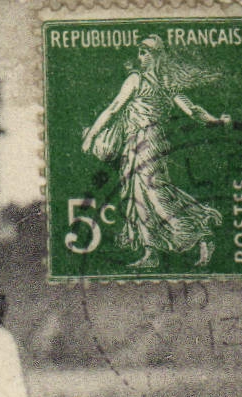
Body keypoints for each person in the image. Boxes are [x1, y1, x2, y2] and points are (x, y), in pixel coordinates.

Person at [81, 35, 229, 269]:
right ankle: (151, 252)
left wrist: (216, 122)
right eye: (140, 52)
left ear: (158, 55)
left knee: (154, 193)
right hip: (137, 143)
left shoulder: (150, 81)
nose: (142, 57)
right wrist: (215, 121)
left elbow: (191, 110)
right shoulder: (146, 80)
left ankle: (200, 232)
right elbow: (114, 108)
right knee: (138, 194)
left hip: (148, 142)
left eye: (147, 52)